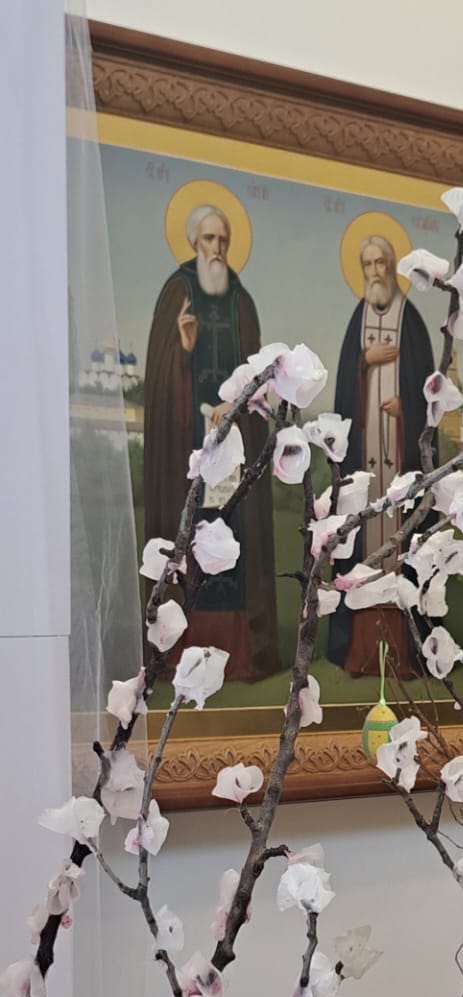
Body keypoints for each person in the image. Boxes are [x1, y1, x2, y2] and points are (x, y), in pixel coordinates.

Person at [143, 204, 279, 681]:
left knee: (234, 542)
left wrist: (236, 404)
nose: (217, 249)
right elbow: (160, 383)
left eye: (223, 240)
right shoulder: (177, 292)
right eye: (208, 239)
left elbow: (258, 379)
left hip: (234, 453)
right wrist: (182, 352)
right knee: (189, 543)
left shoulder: (241, 301)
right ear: (193, 242)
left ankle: (238, 654)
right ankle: (182, 652)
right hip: (189, 448)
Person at [329, 235, 436, 676]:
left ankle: (405, 653)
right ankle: (359, 651)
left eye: (382, 263)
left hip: (401, 460)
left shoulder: (411, 322)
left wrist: (406, 407)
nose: (375, 272)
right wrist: (364, 360)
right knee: (364, 541)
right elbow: (343, 394)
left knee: (402, 545)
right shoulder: (357, 321)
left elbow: (429, 397)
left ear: (392, 267)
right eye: (368, 264)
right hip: (364, 459)